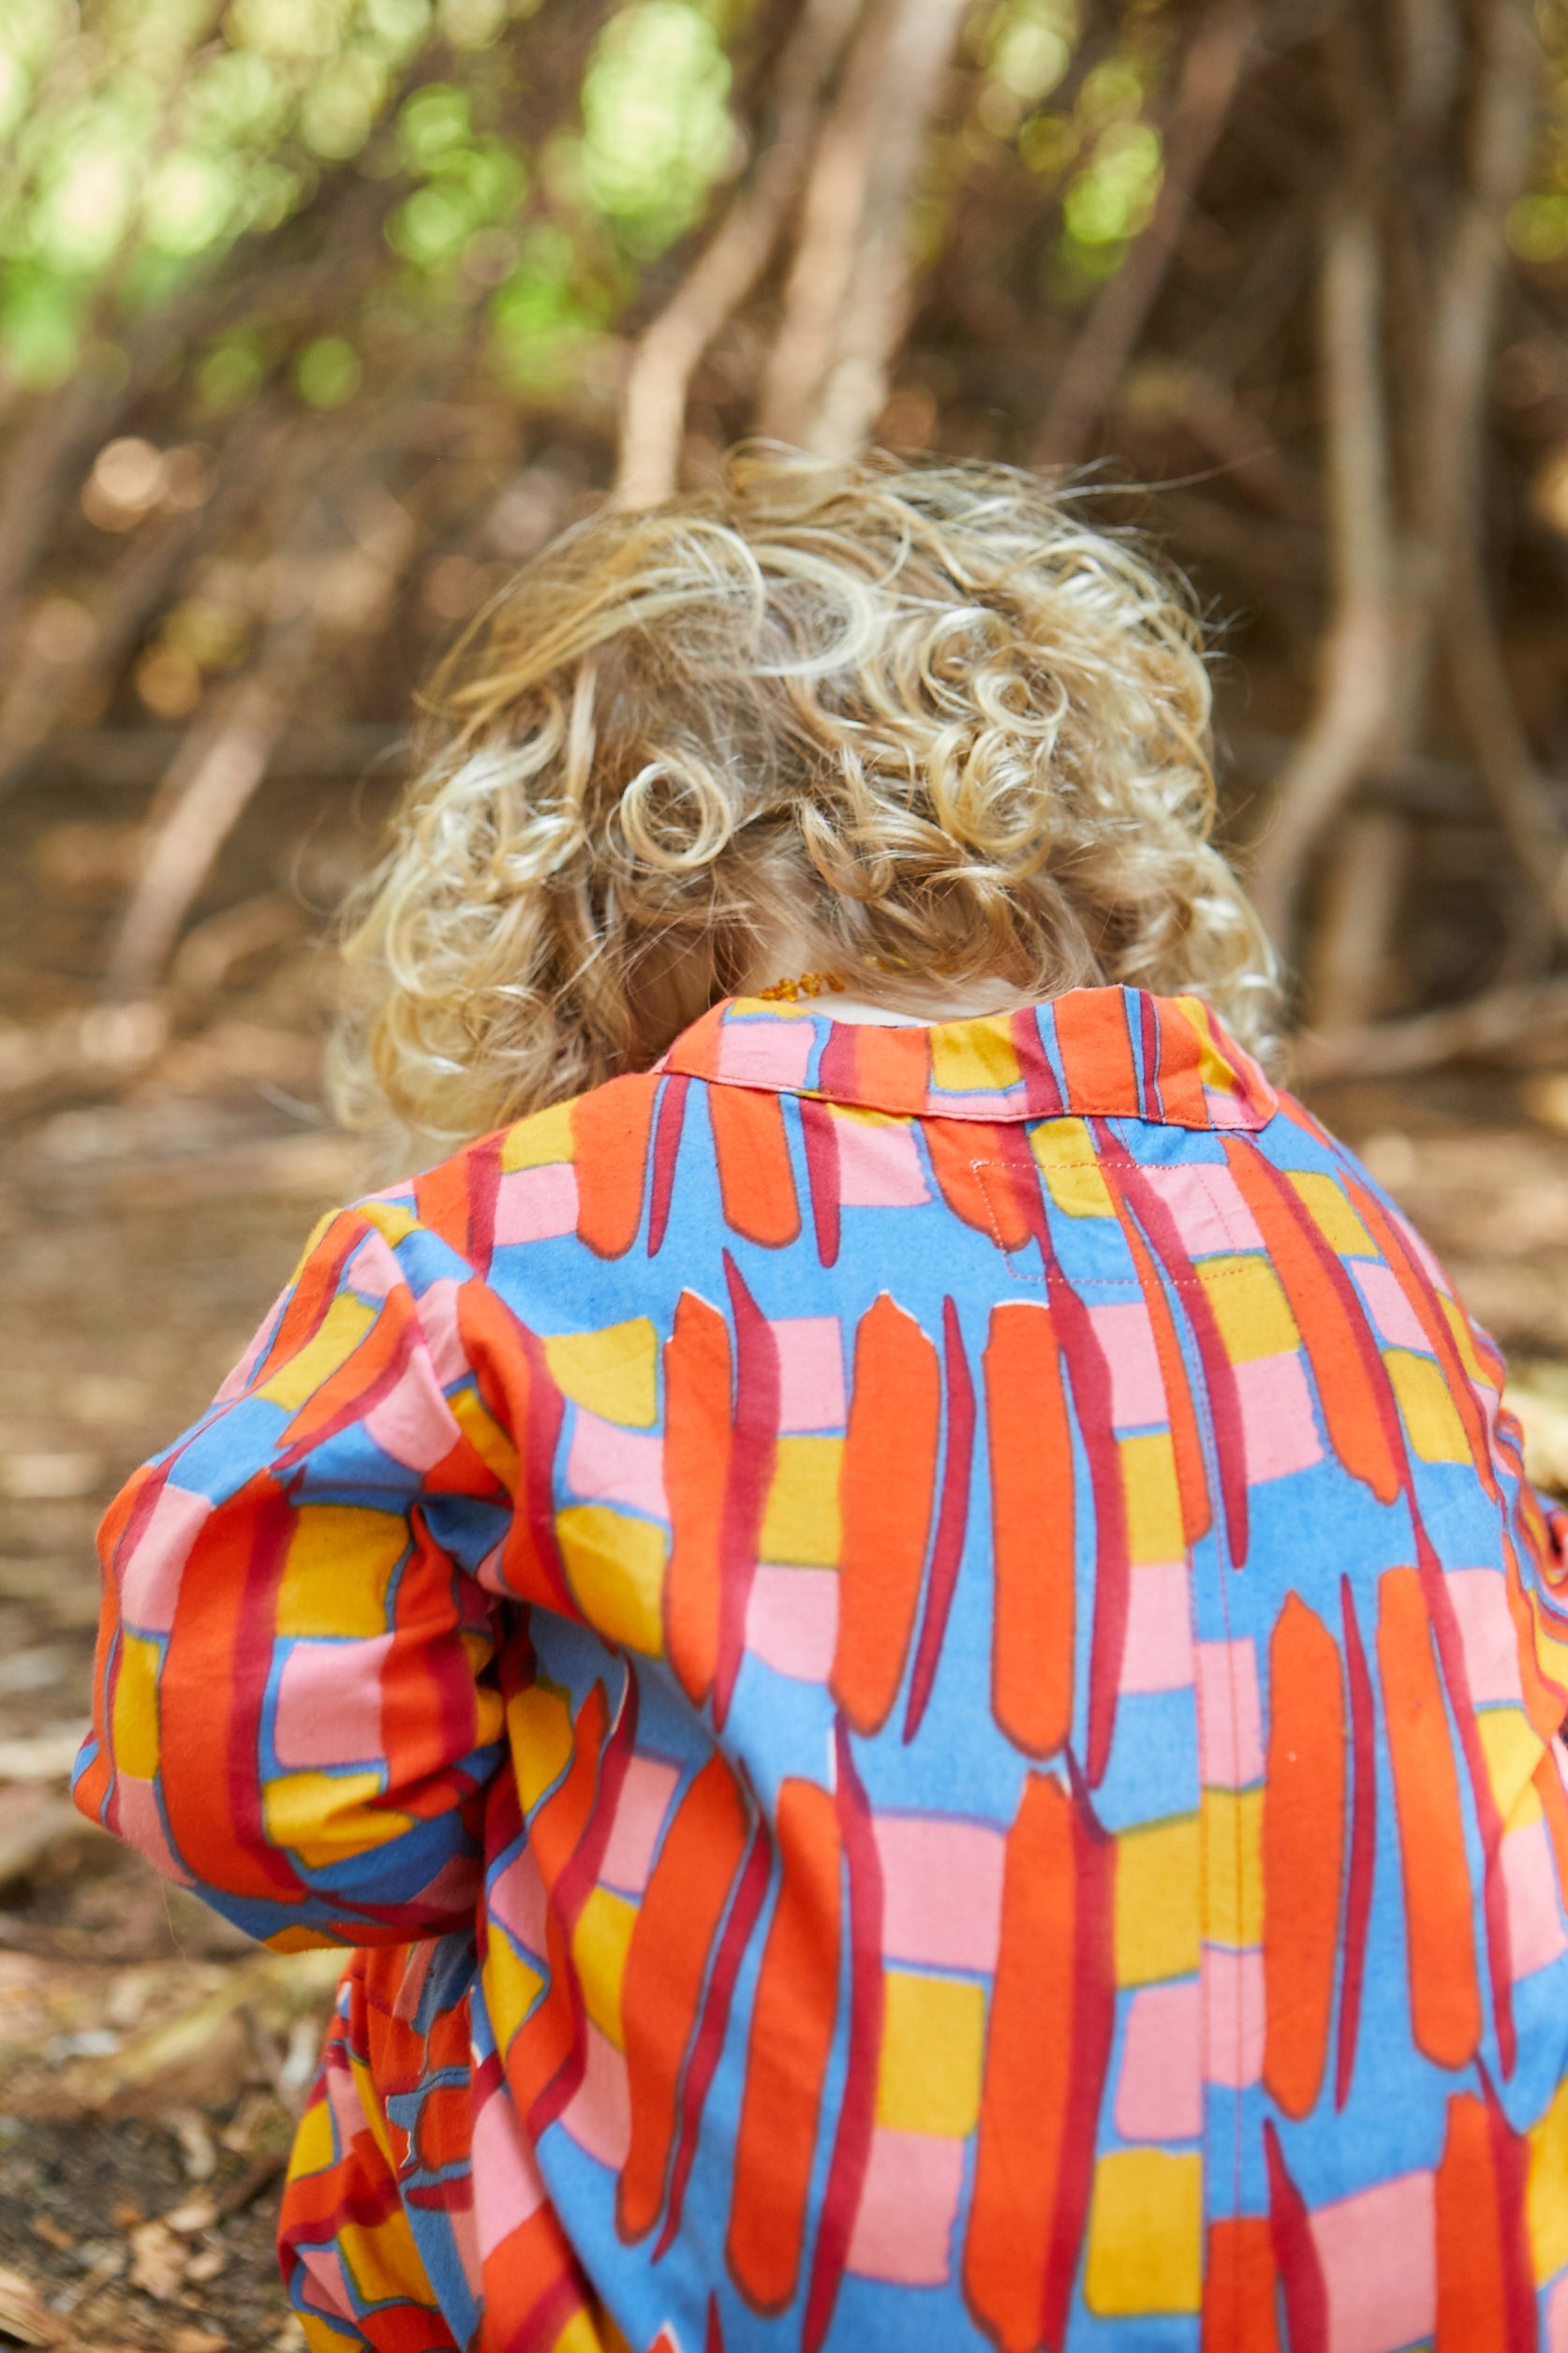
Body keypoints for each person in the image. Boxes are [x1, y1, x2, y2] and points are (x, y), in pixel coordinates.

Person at [76, 446, 1568, 2353]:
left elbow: (253, 1777)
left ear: (558, 898)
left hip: (815, 2286)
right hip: (1438, 2274)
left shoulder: (495, 1250)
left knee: (460, 1944)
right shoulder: (1339, 1212)